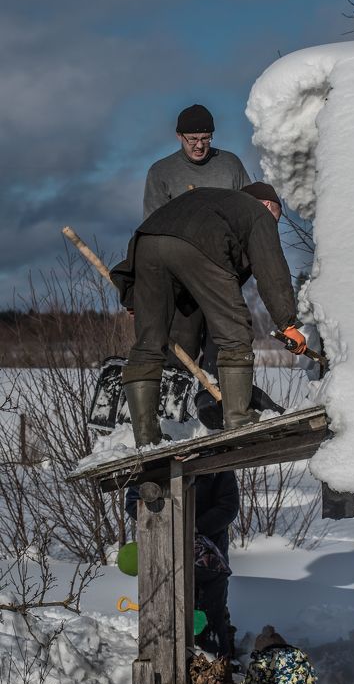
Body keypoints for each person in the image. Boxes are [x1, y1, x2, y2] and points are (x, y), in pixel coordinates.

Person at [111, 182, 306, 445]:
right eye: (277, 219)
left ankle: (146, 437)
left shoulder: (205, 200)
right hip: (201, 242)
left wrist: (134, 297)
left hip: (146, 241)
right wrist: (287, 323)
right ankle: (239, 417)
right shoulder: (257, 211)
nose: (274, 226)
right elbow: (272, 270)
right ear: (269, 205)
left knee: (148, 343)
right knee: (235, 331)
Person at [143, 104, 251, 376]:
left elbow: (250, 217)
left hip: (224, 277)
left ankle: (219, 409)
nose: (200, 146)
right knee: (180, 352)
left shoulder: (230, 165)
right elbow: (152, 232)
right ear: (179, 136)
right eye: (193, 140)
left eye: (206, 139)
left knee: (226, 349)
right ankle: (174, 414)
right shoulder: (162, 172)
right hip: (182, 283)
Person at [125, 470, 240, 656]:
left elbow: (228, 506)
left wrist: (193, 527)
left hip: (209, 560)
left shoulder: (217, 464)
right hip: (165, 555)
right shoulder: (151, 464)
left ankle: (218, 665)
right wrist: (163, 521)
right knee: (169, 613)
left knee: (210, 613)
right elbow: (133, 502)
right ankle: (176, 661)